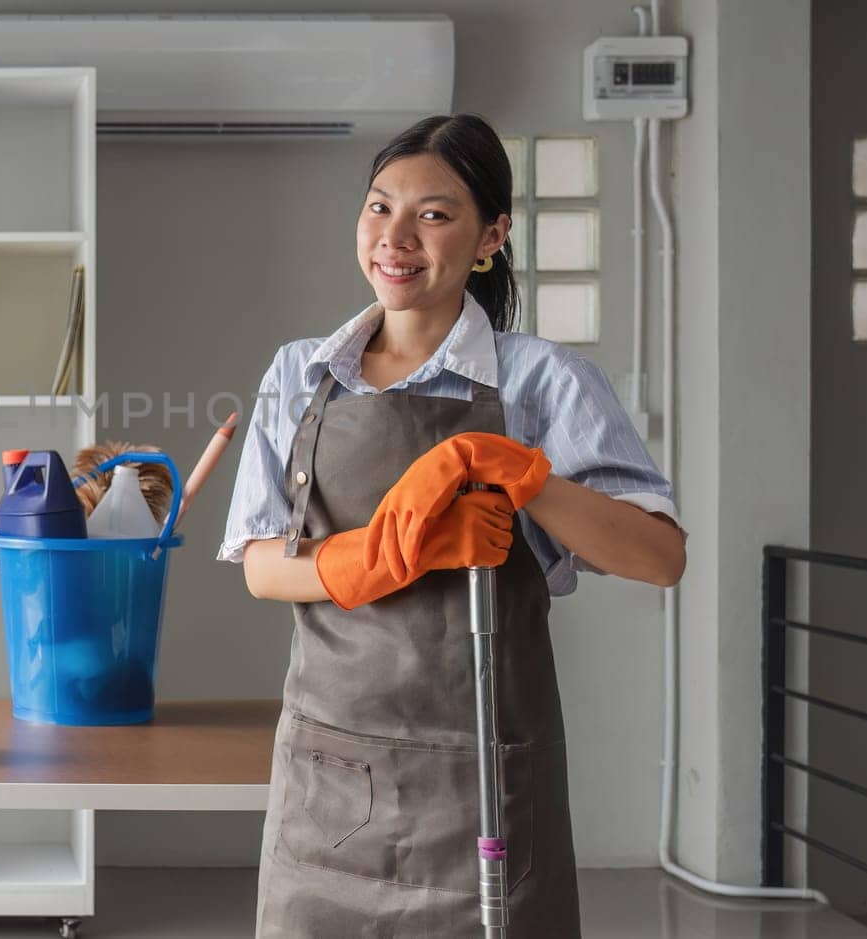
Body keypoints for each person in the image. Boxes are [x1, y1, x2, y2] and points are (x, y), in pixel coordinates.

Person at [219, 113, 687, 937]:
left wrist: (518, 470)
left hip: (485, 781)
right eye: (378, 206)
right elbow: (261, 564)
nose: (394, 237)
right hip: (332, 778)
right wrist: (391, 555)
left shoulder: (546, 381)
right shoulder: (300, 373)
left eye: (432, 214)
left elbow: (658, 556)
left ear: (490, 237)